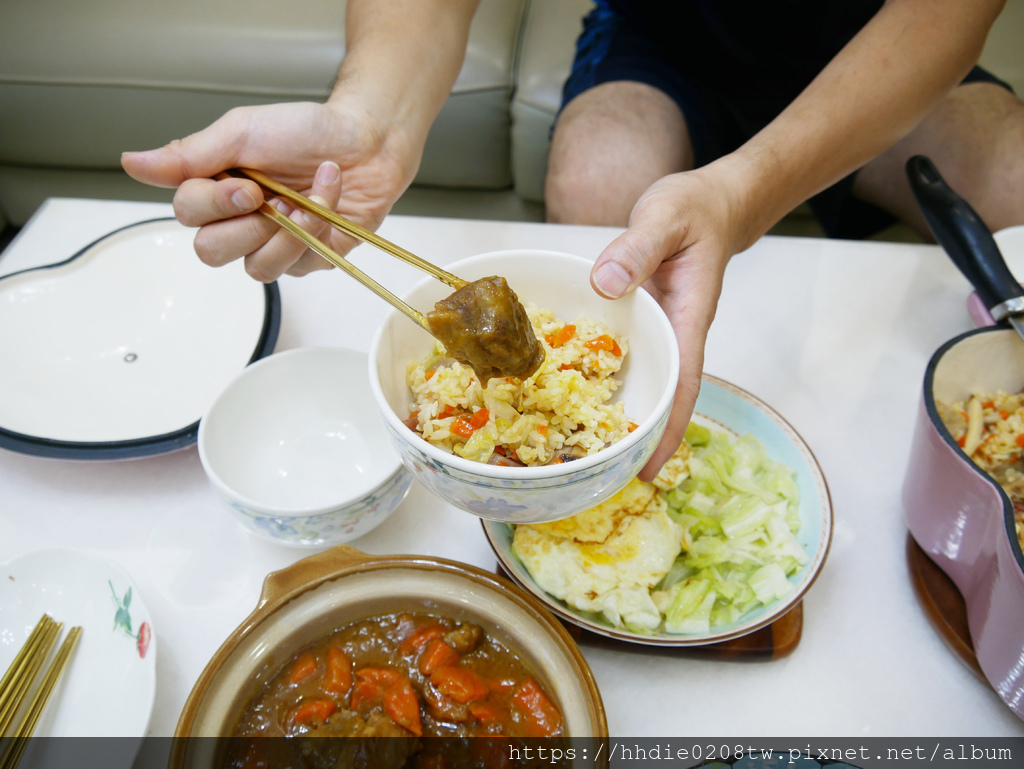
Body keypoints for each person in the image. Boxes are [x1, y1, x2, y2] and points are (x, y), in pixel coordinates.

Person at [122, 0, 1024, 481]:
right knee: (597, 182)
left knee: (1011, 179)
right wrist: (370, 120)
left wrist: (746, 189)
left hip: (871, 40)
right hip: (661, 36)